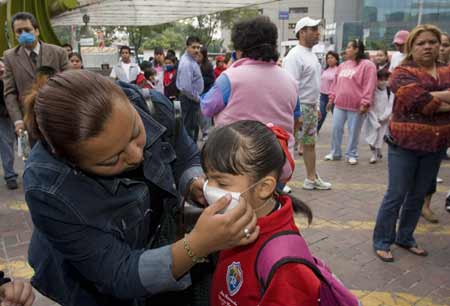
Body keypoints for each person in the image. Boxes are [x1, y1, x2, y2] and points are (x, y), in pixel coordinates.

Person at [22, 70, 258, 306]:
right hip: (82, 290)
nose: (137, 156)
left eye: (135, 133)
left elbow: (185, 155)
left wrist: (193, 182)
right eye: (112, 160)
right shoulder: (48, 188)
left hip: (149, 248)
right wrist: (197, 245)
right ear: (71, 161)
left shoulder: (150, 105)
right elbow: (117, 273)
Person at [204, 120, 319, 306]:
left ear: (264, 187)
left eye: (221, 183)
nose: (209, 189)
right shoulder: (234, 222)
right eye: (207, 178)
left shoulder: (285, 265)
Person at [373, 25, 450, 262]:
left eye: (432, 42)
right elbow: (420, 103)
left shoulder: (447, 70)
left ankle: (405, 237)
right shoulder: (401, 72)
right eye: (421, 43)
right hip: (403, 145)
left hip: (435, 146)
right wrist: (439, 97)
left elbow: (423, 99)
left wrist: (428, 96)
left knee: (417, 195)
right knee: (396, 194)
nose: (427, 46)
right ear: (411, 47)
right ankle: (382, 240)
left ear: (439, 45)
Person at [201, 16, 300, 184]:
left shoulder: (230, 78)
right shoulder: (289, 80)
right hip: (277, 165)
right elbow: (296, 118)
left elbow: (207, 108)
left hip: (234, 164)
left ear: (240, 50)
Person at [283, 17, 332, 190]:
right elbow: (290, 86)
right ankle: (282, 182)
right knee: (288, 144)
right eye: (313, 29)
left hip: (310, 106)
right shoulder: (294, 56)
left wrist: (316, 106)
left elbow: (314, 83)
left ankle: (311, 179)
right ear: (302, 32)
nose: (318, 32)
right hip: (298, 107)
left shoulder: (311, 54)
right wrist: (297, 112)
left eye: (318, 29)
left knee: (310, 143)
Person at [2, 12, 68, 136]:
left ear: (37, 31)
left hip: (57, 119)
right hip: (29, 122)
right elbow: (9, 93)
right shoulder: (9, 57)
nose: (23, 34)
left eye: (27, 30)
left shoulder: (59, 53)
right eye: (19, 31)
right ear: (15, 34)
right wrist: (18, 121)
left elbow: (70, 84)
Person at [324, 39, 377, 165]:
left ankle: (352, 154)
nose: (346, 50)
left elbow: (369, 85)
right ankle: (335, 152)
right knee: (336, 129)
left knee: (354, 132)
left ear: (357, 49)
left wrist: (365, 103)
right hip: (340, 105)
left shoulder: (367, 65)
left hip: (356, 106)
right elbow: (335, 84)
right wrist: (331, 99)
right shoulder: (343, 65)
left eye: (349, 47)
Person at [420, 31, 450, 223]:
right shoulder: (418, 69)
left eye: (444, 45)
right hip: (420, 130)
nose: (439, 48)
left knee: (432, 169)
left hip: (443, 130)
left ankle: (426, 205)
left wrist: (429, 96)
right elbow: (415, 98)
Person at [362, 69, 392, 164]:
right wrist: (375, 119)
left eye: (385, 79)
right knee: (371, 137)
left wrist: (383, 118)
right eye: (380, 79)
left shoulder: (390, 91)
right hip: (372, 118)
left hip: (384, 119)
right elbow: (369, 106)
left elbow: (390, 106)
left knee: (381, 137)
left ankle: (378, 150)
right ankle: (373, 154)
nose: (383, 82)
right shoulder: (371, 91)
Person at [176, 36, 204, 142]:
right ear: (187, 47)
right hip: (189, 100)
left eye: (198, 47)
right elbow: (185, 87)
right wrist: (197, 98)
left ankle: (191, 152)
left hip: (191, 100)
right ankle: (190, 155)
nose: (197, 50)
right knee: (189, 130)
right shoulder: (186, 63)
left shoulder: (191, 60)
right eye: (194, 47)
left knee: (191, 128)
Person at [0, 59, 18, 189]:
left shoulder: (11, 78)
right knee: (6, 145)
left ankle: (11, 175)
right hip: (4, 116)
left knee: (20, 144)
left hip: (14, 116)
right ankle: (10, 175)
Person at [317, 51, 339, 132]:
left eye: (332, 57)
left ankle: (337, 132)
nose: (329, 59)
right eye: (328, 58)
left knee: (337, 118)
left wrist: (331, 100)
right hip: (323, 96)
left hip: (334, 97)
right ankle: (315, 131)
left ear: (336, 59)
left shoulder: (338, 70)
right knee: (321, 115)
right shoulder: (324, 70)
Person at [197, 47, 214, 141]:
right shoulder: (194, 64)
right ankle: (201, 131)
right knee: (198, 114)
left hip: (205, 92)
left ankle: (206, 132)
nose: (197, 57)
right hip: (196, 93)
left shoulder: (208, 66)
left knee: (204, 113)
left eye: (199, 55)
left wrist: (200, 80)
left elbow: (211, 79)